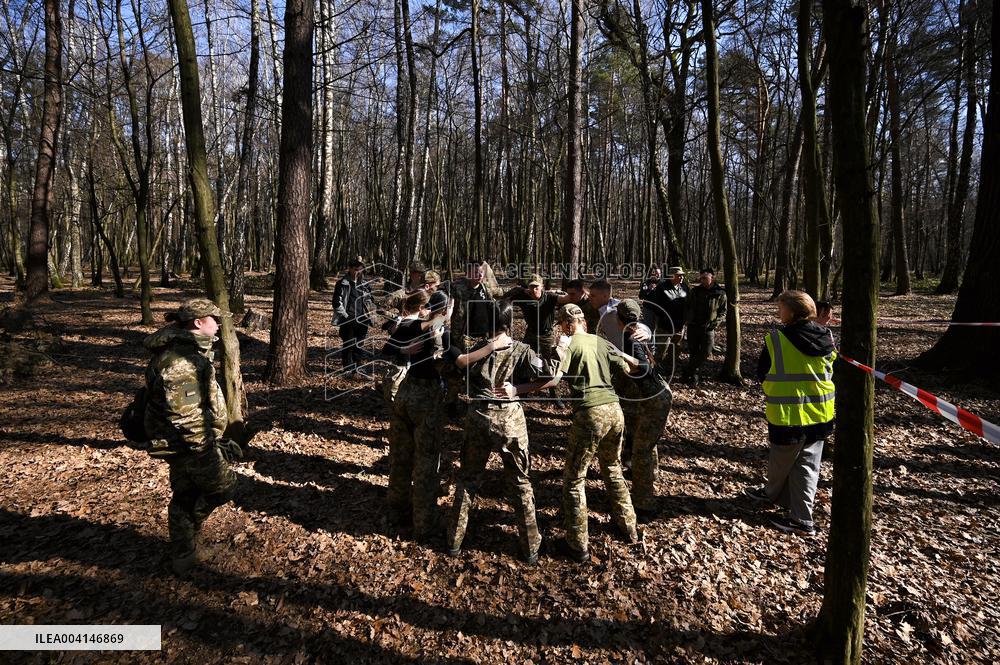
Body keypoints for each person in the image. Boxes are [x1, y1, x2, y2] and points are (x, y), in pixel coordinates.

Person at [503, 303, 638, 562]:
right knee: (612, 467)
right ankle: (628, 526)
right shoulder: (601, 341)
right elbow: (629, 368)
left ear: (566, 324)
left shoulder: (569, 344)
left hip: (590, 413)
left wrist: (517, 390)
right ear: (583, 321)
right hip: (615, 410)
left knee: (575, 479)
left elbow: (552, 379)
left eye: (561, 324)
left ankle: (578, 544)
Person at [143, 298, 240, 576]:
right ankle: (186, 543)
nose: (219, 325)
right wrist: (208, 449)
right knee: (223, 488)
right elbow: (187, 417)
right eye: (214, 319)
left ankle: (184, 553)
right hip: (189, 445)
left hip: (189, 442)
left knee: (187, 495)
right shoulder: (181, 362)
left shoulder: (190, 352)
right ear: (198, 323)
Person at [446, 300, 549, 564]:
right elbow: (549, 375)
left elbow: (460, 373)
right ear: (509, 323)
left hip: (478, 416)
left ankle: (454, 540)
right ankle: (530, 546)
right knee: (520, 482)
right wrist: (519, 390)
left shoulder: (478, 349)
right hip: (510, 419)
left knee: (468, 480)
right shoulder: (522, 350)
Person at [745, 290, 836, 536]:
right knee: (807, 466)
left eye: (781, 307)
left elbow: (762, 371)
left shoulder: (776, 339)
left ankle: (773, 496)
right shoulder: (826, 336)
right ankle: (801, 518)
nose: (778, 311)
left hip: (787, 415)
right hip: (820, 414)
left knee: (782, 462)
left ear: (794, 311)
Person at [382, 290, 448, 540]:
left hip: (404, 394)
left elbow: (388, 347)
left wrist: (404, 350)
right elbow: (452, 364)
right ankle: (424, 523)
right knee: (426, 463)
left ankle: (395, 511)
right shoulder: (437, 332)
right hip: (425, 397)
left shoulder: (408, 326)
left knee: (400, 455)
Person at [611, 299, 672, 518]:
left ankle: (644, 503)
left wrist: (619, 355)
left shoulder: (631, 338)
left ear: (619, 319)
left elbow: (644, 368)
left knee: (641, 450)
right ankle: (651, 476)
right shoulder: (642, 331)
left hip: (655, 400)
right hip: (657, 395)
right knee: (646, 443)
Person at [443, 260, 505, 416]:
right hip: (461, 336)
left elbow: (496, 298)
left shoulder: (485, 288)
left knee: (478, 373)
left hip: (481, 337)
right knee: (455, 373)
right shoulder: (457, 288)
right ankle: (450, 404)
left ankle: (478, 405)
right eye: (476, 273)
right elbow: (443, 293)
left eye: (481, 273)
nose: (480, 276)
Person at [683, 268, 727, 385]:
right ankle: (693, 377)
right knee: (693, 352)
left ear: (712, 278)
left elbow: (723, 311)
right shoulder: (695, 291)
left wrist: (715, 323)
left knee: (706, 352)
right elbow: (687, 306)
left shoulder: (720, 293)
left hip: (708, 328)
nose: (702, 280)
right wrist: (687, 319)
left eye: (705, 278)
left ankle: (688, 370)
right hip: (693, 326)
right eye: (701, 278)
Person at [332, 257, 374, 376]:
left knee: (359, 345)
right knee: (348, 345)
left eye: (361, 269)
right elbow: (336, 302)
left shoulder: (365, 284)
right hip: (348, 319)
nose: (358, 272)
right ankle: (347, 369)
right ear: (350, 269)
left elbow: (370, 299)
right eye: (356, 269)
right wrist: (345, 316)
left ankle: (358, 368)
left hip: (363, 319)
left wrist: (371, 311)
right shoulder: (342, 283)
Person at [654, 267, 689, 371]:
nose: (681, 277)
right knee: (661, 349)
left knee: (676, 349)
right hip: (665, 325)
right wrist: (662, 318)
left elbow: (689, 304)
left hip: (679, 326)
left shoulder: (684, 287)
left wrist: (685, 319)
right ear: (671, 276)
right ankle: (656, 369)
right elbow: (655, 306)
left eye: (682, 275)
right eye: (679, 275)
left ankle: (671, 368)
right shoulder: (661, 287)